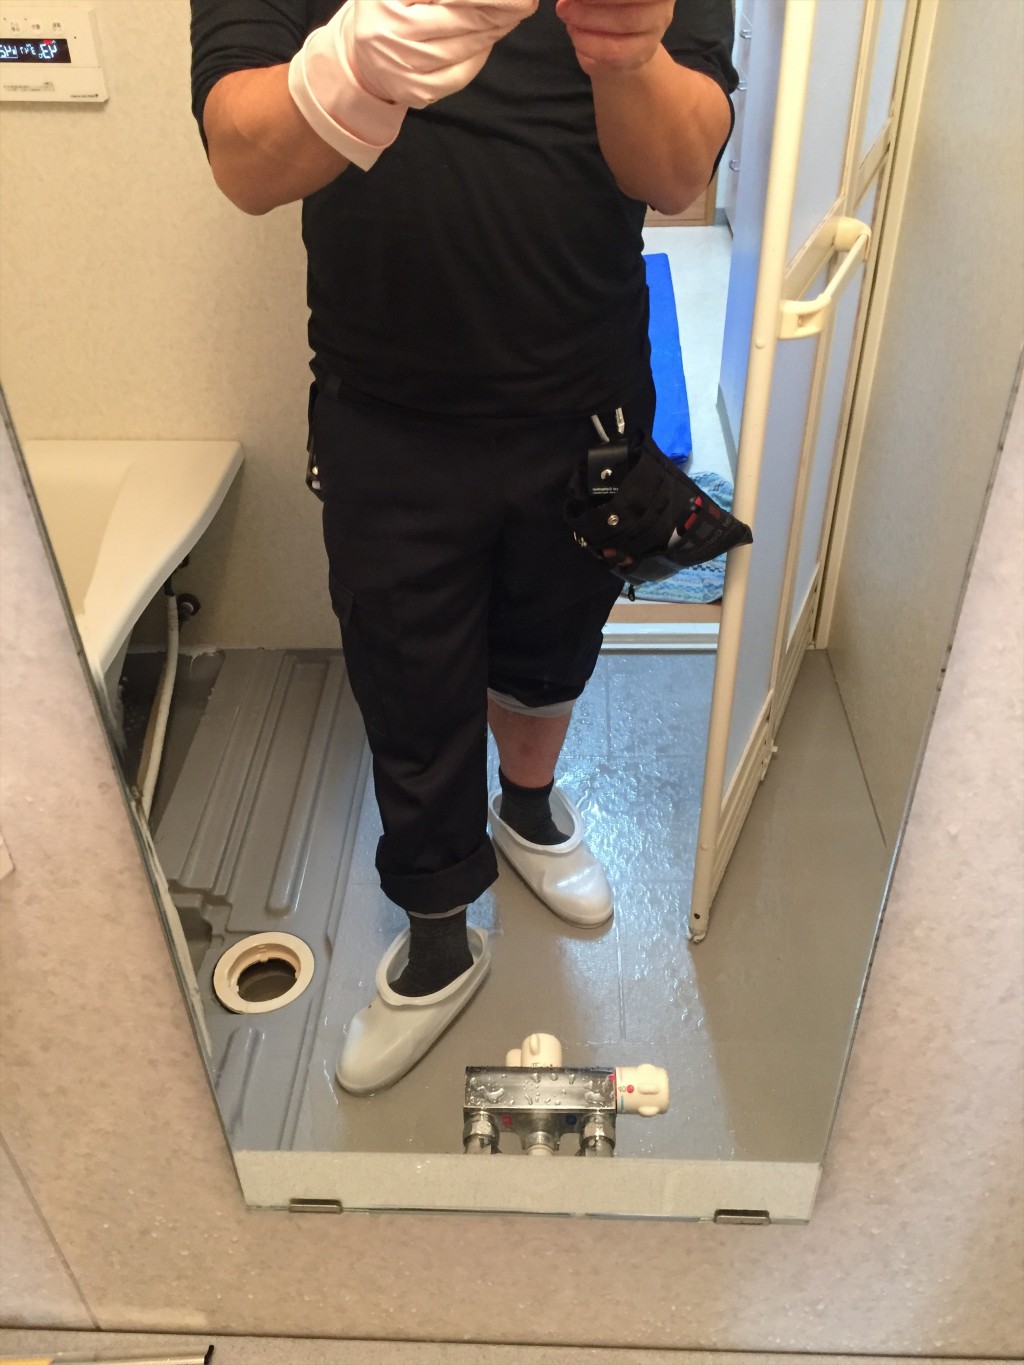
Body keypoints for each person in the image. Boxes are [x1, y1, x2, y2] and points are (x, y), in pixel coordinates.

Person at [190, 0, 736, 1094]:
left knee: (558, 636)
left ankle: (528, 810)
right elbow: (242, 162)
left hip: (587, 398)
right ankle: (438, 938)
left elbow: (679, 174)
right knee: (408, 681)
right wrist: (354, 60)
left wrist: (629, 57)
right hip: (386, 409)